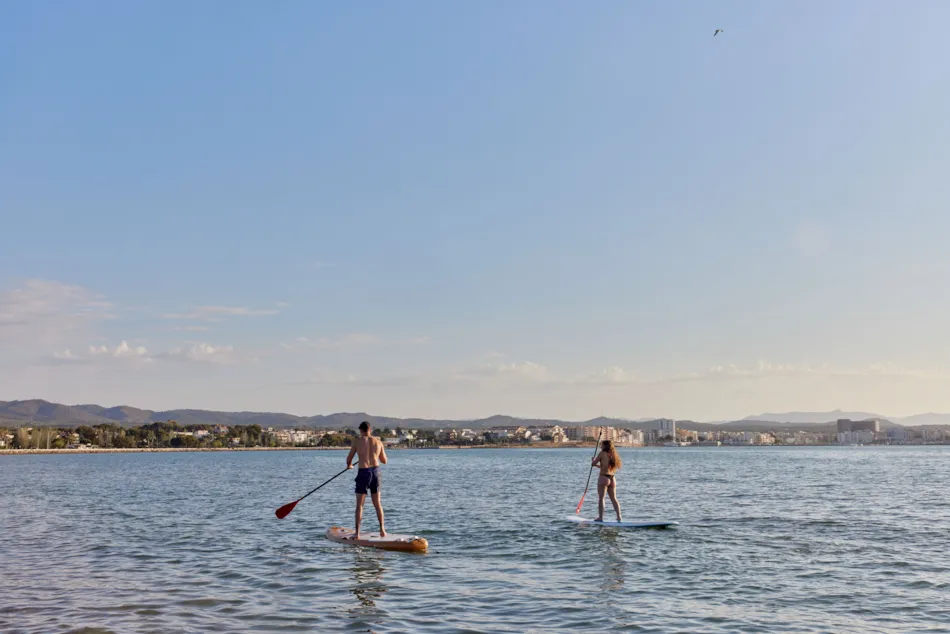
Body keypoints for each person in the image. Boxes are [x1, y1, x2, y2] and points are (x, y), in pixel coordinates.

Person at [345, 421, 388, 538]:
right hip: (376, 471)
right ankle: (382, 530)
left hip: (363, 472)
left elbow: (349, 459)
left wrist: (349, 466)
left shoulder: (357, 441)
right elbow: (384, 461)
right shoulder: (378, 442)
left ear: (361, 430)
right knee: (377, 503)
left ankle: (357, 533)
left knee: (360, 505)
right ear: (370, 429)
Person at [591, 439, 623, 522]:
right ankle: (619, 517)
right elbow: (607, 467)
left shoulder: (602, 453)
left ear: (605, 446)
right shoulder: (614, 455)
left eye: (602, 445)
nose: (601, 446)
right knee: (614, 499)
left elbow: (594, 463)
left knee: (601, 498)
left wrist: (593, 461)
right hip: (612, 478)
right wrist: (598, 465)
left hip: (603, 478)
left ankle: (600, 518)